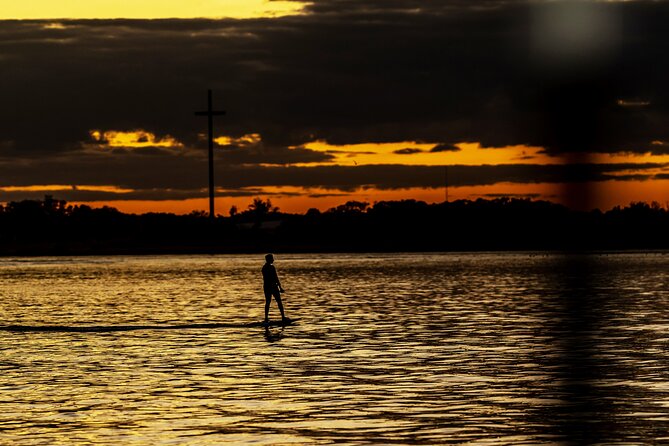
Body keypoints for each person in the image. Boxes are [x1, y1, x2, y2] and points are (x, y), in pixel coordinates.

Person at [262, 253, 287, 325]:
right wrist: (279, 287)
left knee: (274, 302)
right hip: (270, 287)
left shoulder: (269, 267)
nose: (273, 260)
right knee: (271, 302)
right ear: (268, 259)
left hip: (269, 287)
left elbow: (275, 278)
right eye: (272, 258)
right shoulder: (267, 268)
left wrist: (280, 287)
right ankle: (281, 317)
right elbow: (275, 278)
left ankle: (282, 317)